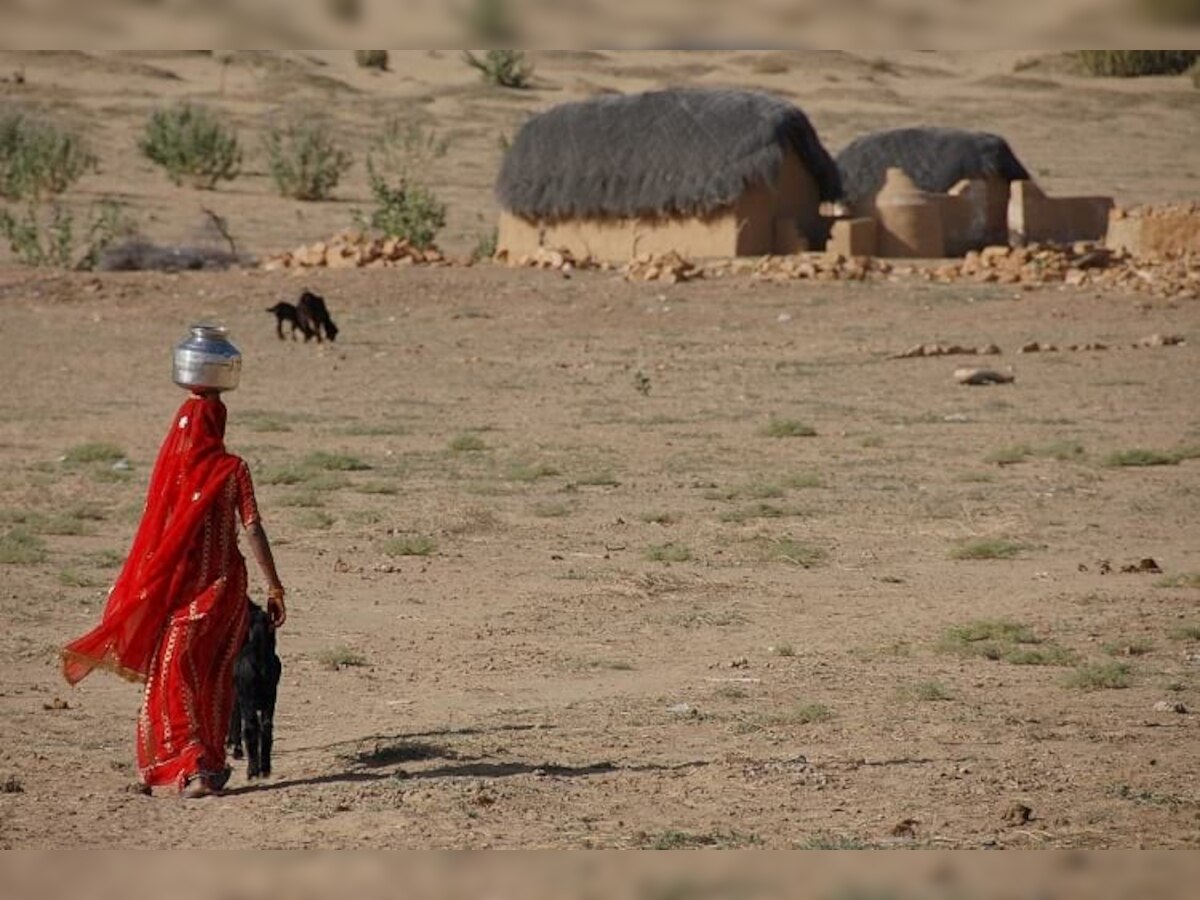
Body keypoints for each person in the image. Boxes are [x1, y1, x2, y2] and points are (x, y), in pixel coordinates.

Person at [61, 390, 286, 799]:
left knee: (173, 675)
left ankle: (192, 765)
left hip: (190, 594)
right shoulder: (234, 469)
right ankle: (208, 766)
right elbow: (252, 527)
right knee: (214, 676)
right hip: (230, 589)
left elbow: (156, 532)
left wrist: (140, 586)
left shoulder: (177, 470)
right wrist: (274, 585)